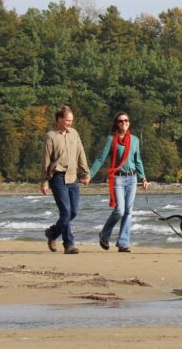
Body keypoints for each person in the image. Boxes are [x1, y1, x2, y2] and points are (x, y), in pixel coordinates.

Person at [88, 111, 149, 253]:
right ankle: (104, 234)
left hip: (132, 179)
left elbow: (137, 160)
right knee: (120, 210)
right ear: (116, 123)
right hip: (118, 178)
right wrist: (90, 175)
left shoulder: (134, 140)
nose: (124, 123)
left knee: (128, 211)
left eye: (126, 120)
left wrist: (143, 178)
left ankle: (123, 243)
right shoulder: (111, 139)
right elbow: (100, 159)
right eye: (121, 121)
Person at [40, 105, 90, 254]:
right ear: (59, 119)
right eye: (67, 120)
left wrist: (85, 173)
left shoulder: (74, 134)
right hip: (57, 177)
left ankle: (53, 233)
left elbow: (81, 153)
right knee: (66, 212)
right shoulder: (51, 136)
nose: (70, 123)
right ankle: (69, 244)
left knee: (73, 212)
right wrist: (44, 181)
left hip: (73, 177)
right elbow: (45, 160)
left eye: (71, 120)